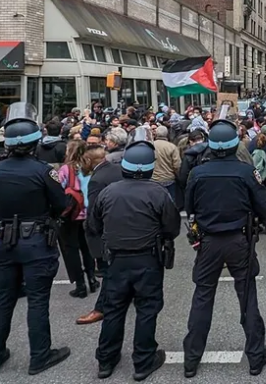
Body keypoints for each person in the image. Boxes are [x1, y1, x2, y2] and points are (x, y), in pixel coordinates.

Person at [0, 103, 71, 376]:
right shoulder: (43, 171)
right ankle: (39, 355)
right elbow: (60, 203)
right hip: (36, 239)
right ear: (35, 143)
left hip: (3, 239)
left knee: (4, 299)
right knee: (37, 299)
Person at [182, 119, 266, 378]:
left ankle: (191, 359)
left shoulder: (198, 173)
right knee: (247, 298)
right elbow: (263, 208)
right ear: (235, 145)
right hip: (239, 239)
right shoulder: (246, 172)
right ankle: (255, 356)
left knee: (202, 298)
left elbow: (190, 208)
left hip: (209, 241)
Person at [88, 129, 181, 381]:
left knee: (114, 307)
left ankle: (106, 360)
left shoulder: (109, 192)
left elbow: (94, 224)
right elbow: (172, 228)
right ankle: (143, 360)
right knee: (147, 309)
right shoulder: (158, 192)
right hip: (147, 258)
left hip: (116, 259)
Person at [78, 126, 128, 325]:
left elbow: (95, 211)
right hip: (124, 225)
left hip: (107, 231)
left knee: (108, 271)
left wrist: (91, 229)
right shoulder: (118, 170)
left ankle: (101, 307)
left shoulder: (97, 179)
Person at [57, 140, 98, 299]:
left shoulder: (66, 169)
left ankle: (80, 284)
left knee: (71, 249)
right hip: (89, 213)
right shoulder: (91, 167)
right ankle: (92, 278)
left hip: (72, 213)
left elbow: (59, 189)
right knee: (86, 247)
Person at [150, 125, 181, 201]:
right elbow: (177, 165)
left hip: (153, 179)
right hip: (169, 179)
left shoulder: (150, 146)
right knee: (170, 202)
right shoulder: (172, 147)